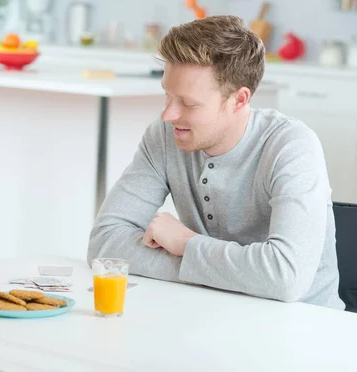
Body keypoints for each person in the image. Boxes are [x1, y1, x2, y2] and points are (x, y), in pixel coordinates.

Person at [88, 15, 344, 310]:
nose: (168, 115)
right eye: (168, 96)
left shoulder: (292, 146)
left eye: (189, 103)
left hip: (306, 329)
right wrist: (227, 273)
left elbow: (286, 277)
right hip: (212, 316)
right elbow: (105, 244)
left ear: (238, 99)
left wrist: (186, 244)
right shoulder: (164, 136)